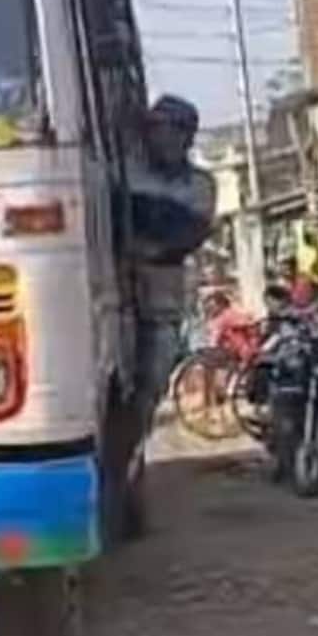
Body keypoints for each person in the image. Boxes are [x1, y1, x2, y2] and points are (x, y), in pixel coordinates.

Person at [126, 94, 216, 428]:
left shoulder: (199, 185)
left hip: (162, 290)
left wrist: (148, 247)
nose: (159, 137)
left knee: (155, 368)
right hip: (111, 287)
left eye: (168, 130)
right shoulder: (128, 172)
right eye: (154, 129)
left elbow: (190, 233)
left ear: (186, 136)